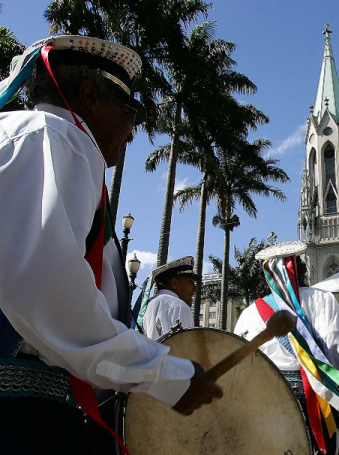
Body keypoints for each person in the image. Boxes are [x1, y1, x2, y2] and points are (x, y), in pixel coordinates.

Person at [0, 35, 222, 454]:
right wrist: (166, 374)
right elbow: (51, 295)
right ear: (89, 96)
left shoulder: (36, 140)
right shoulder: (52, 138)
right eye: (129, 113)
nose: (132, 134)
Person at [233, 240, 339, 455]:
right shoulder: (321, 299)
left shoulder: (248, 314)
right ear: (301, 269)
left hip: (264, 405)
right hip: (315, 400)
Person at [140, 256, 199, 340]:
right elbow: (183, 349)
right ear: (174, 283)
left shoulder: (150, 304)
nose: (195, 288)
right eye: (190, 282)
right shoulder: (178, 306)